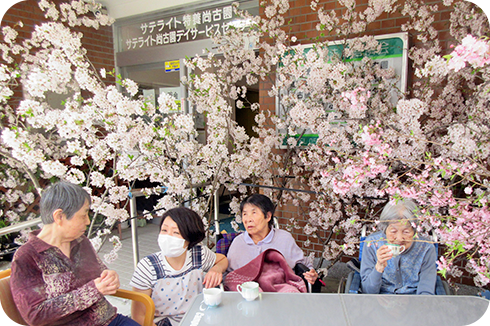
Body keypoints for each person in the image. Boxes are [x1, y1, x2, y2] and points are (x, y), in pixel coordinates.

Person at [10, 181, 139, 326]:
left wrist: (110, 277)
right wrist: (91, 291)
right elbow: (35, 315)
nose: (88, 221)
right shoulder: (28, 256)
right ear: (59, 216)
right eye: (83, 215)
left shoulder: (80, 242)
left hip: (109, 320)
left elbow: (100, 274)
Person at [130, 207, 228, 326]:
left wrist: (216, 269)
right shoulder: (147, 266)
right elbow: (139, 315)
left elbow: (222, 260)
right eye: (164, 230)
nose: (168, 237)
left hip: (197, 316)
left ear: (190, 237)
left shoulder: (198, 254)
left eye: (176, 232)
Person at [226, 194, 318, 285]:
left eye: (254, 213)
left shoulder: (284, 239)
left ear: (268, 216)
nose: (248, 219)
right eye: (245, 214)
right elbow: (228, 277)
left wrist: (311, 274)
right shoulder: (238, 243)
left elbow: (305, 266)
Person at [360, 198, 437, 295]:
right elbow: (367, 292)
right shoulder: (372, 244)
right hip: (380, 300)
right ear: (384, 229)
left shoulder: (426, 248)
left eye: (406, 231)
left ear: (415, 231)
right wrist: (379, 267)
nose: (399, 238)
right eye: (393, 231)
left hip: (415, 301)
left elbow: (426, 292)